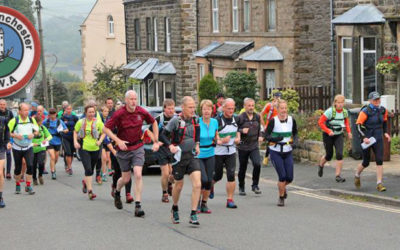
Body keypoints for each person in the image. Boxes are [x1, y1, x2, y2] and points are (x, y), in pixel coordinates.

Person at [103, 90, 159, 217]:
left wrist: (156, 140)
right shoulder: (119, 114)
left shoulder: (141, 111)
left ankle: (138, 205)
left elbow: (154, 122)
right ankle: (117, 192)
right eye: (131, 99)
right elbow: (105, 128)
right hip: (123, 150)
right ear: (126, 100)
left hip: (138, 147)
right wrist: (118, 140)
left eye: (135, 99)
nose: (134, 101)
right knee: (125, 178)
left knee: (138, 174)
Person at [159, 96, 201, 225]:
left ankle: (193, 213)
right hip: (179, 157)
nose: (193, 110)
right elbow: (163, 135)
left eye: (194, 107)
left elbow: (197, 132)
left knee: (197, 184)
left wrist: (197, 144)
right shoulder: (175, 121)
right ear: (183, 107)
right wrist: (170, 146)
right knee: (179, 185)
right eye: (190, 107)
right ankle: (175, 207)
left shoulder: (195, 119)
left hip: (191, 155)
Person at [354, 91, 391, 192]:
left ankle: (379, 184)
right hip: (368, 138)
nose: (377, 101)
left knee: (379, 160)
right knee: (366, 162)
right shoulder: (365, 111)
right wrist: (364, 137)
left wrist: (386, 133)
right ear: (370, 100)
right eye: (375, 100)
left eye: (378, 99)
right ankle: (357, 175)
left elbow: (384, 122)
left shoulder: (383, 110)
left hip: (378, 137)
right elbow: (358, 126)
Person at [265, 100, 298, 206]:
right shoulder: (273, 121)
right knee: (282, 177)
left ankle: (282, 187)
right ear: (277, 109)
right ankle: (281, 197)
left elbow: (295, 132)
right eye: (281, 108)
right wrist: (275, 139)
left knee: (289, 178)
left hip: (288, 151)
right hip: (276, 151)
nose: (284, 110)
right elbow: (266, 135)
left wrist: (296, 142)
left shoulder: (291, 120)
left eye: (285, 108)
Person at [212, 98, 240, 208]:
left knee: (231, 175)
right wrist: (221, 140)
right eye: (229, 108)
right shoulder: (217, 120)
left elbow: (238, 130)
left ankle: (230, 199)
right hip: (218, 152)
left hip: (231, 151)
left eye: (232, 108)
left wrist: (238, 138)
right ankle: (211, 186)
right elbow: (213, 137)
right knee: (218, 175)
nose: (231, 111)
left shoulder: (236, 118)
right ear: (223, 108)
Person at [74, 105, 105, 200]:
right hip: (84, 148)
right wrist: (75, 142)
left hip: (95, 149)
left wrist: (100, 141)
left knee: (91, 169)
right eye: (89, 112)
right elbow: (75, 132)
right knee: (88, 169)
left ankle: (85, 182)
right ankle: (90, 191)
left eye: (93, 112)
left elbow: (104, 132)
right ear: (86, 113)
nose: (91, 114)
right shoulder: (81, 122)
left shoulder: (98, 122)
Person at [318, 95, 352, 182]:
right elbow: (320, 122)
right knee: (329, 155)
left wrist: (349, 132)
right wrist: (328, 131)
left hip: (338, 135)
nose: (340, 104)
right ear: (335, 103)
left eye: (342, 102)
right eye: (338, 103)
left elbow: (346, 122)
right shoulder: (330, 111)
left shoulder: (345, 112)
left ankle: (338, 176)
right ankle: (321, 165)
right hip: (328, 135)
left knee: (339, 154)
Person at [8, 103, 39, 195]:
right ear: (19, 111)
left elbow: (37, 131)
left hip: (28, 146)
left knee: (30, 165)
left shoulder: (31, 120)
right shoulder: (14, 120)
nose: (27, 112)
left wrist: (33, 134)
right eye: (25, 110)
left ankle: (28, 185)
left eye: (28, 110)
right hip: (17, 147)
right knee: (18, 168)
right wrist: (16, 135)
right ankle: (17, 184)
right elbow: (7, 132)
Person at [237, 98, 264, 196]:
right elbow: (234, 129)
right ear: (244, 107)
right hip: (243, 146)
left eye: (252, 105)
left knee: (257, 164)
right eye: (249, 105)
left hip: (254, 146)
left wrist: (261, 135)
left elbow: (261, 128)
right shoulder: (240, 117)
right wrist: (241, 130)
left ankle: (255, 185)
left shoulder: (257, 116)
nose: (251, 107)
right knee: (243, 168)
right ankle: (241, 187)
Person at [152, 99, 176, 203]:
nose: (171, 111)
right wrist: (156, 141)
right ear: (164, 108)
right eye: (169, 109)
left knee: (172, 173)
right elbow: (149, 130)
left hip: (172, 147)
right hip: (162, 148)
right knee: (165, 173)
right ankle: (164, 193)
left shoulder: (176, 118)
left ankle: (169, 185)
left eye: (172, 109)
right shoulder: (158, 119)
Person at [197, 99, 219, 214]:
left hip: (210, 153)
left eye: (208, 109)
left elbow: (216, 136)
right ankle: (197, 203)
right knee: (203, 180)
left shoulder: (215, 122)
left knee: (209, 181)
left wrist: (219, 140)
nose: (206, 111)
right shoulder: (197, 122)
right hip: (199, 154)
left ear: (212, 110)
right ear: (201, 110)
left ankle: (204, 204)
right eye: (204, 109)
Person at [43, 108, 68, 180]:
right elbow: (41, 128)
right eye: (51, 114)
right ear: (49, 115)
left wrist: (62, 131)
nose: (52, 116)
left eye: (53, 114)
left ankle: (53, 166)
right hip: (49, 141)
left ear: (56, 114)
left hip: (58, 141)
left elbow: (66, 129)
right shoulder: (46, 121)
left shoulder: (59, 121)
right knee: (52, 157)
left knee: (56, 158)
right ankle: (53, 172)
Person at [260, 92, 282, 166]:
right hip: (270, 126)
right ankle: (266, 157)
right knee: (271, 142)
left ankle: (277, 158)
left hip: (279, 127)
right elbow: (261, 114)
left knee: (279, 141)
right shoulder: (269, 105)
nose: (278, 99)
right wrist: (264, 125)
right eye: (277, 97)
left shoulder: (282, 106)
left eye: (279, 97)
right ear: (274, 98)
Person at [32, 116, 52, 185]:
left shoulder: (43, 127)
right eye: (40, 122)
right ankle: (34, 178)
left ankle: (40, 175)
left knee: (41, 163)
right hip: (32, 149)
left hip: (41, 148)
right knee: (33, 165)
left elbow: (49, 136)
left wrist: (45, 140)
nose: (41, 123)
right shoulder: (31, 129)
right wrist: (31, 143)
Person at [61, 105, 79, 175]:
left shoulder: (75, 118)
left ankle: (68, 165)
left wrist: (78, 136)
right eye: (67, 109)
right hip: (65, 137)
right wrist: (63, 131)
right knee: (68, 152)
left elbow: (78, 126)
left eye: (70, 109)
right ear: (65, 110)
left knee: (71, 153)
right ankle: (69, 167)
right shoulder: (62, 118)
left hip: (73, 137)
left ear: (72, 110)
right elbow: (59, 127)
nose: (69, 110)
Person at [0, 99, 11, 208]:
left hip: (1, 147)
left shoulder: (3, 119)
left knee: (0, 173)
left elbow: (7, 130)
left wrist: (8, 142)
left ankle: (0, 197)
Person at [0, 99, 14, 180]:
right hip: (0, 137)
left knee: (8, 153)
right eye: (1, 104)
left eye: (3, 104)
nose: (2, 106)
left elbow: (13, 123)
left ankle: (8, 172)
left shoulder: (9, 113)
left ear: (6, 105)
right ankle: (2, 168)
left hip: (8, 136)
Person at [100, 106, 111, 181]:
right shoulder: (99, 120)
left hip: (108, 140)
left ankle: (101, 170)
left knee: (107, 159)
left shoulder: (109, 119)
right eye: (105, 111)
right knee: (104, 158)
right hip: (101, 141)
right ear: (101, 112)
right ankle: (103, 174)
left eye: (107, 111)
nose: (106, 113)